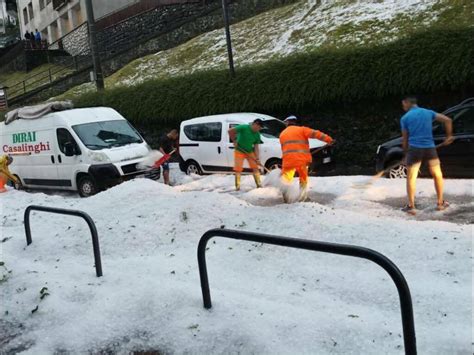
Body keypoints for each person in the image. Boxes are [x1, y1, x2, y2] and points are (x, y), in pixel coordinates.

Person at [400, 96, 453, 214]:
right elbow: (448, 120)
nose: (403, 106)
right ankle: (440, 203)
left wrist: (405, 154)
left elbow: (405, 140)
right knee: (437, 175)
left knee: (411, 177)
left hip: (414, 150)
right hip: (430, 149)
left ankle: (411, 206)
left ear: (407, 103)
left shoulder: (405, 118)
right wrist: (449, 136)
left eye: (403, 104)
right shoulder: (428, 113)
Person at [279, 115, 334, 202]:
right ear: (295, 122)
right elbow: (316, 134)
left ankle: (286, 198)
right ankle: (302, 197)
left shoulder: (282, 134)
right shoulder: (302, 129)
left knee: (286, 179)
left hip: (288, 160)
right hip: (301, 160)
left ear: (287, 123)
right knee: (303, 178)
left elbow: (284, 148)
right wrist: (329, 140)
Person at [228, 119, 264, 191]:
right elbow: (230, 131)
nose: (259, 130)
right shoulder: (244, 128)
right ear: (255, 124)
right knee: (238, 169)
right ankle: (237, 187)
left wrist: (257, 158)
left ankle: (259, 185)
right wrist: (234, 141)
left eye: (260, 128)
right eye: (259, 127)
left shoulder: (257, 134)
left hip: (249, 151)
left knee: (255, 167)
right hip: (239, 150)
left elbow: (256, 147)